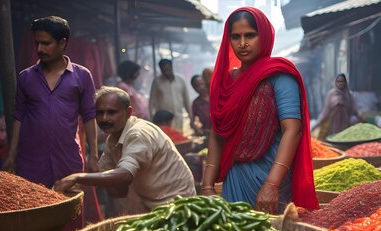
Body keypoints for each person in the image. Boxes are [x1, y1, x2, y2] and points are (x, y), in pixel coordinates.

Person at [201, 7, 319, 214]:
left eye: (250, 35)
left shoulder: (279, 75)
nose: (243, 43)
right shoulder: (227, 81)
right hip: (235, 177)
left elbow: (293, 130)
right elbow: (218, 133)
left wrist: (271, 185)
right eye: (236, 37)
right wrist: (207, 185)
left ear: (263, 35)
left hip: (269, 176)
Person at [3, 16, 101, 230]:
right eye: (37, 43)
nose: (40, 48)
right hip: (31, 159)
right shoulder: (26, 77)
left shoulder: (82, 76)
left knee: (71, 213)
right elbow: (18, 117)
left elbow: (89, 116)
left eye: (46, 43)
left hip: (68, 157)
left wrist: (93, 156)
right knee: (33, 212)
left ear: (63, 43)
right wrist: (11, 156)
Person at [54, 87, 196, 214]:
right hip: (151, 204)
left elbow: (125, 175)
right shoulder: (113, 139)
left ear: (128, 112)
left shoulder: (138, 133)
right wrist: (61, 186)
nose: (104, 119)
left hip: (177, 205)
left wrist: (77, 177)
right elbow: (103, 175)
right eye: (100, 113)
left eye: (111, 113)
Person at [148, 59, 192, 135]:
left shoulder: (180, 80)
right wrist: (152, 118)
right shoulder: (157, 81)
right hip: (163, 120)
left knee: (178, 137)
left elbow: (186, 100)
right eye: (164, 70)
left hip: (178, 117)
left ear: (171, 67)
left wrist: (191, 117)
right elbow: (152, 101)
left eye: (168, 69)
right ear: (161, 70)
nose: (166, 72)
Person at [312, 73, 359, 139]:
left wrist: (355, 118)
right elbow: (325, 112)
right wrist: (316, 125)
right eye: (338, 81)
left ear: (345, 82)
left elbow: (354, 110)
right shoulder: (332, 94)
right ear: (335, 82)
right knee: (333, 140)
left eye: (342, 81)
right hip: (333, 124)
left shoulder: (349, 95)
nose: (340, 83)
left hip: (346, 124)